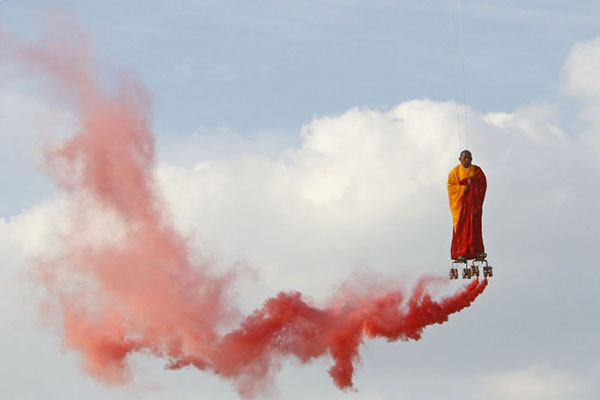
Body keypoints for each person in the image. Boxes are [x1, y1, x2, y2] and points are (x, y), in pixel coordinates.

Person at [447, 150, 487, 260]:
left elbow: (483, 183)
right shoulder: (454, 172)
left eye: (469, 158)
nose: (467, 160)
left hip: (474, 206)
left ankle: (477, 251)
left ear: (472, 159)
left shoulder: (477, 171)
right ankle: (460, 252)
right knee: (461, 229)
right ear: (459, 159)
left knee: (475, 228)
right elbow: (451, 187)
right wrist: (462, 188)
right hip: (462, 207)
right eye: (464, 158)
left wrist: (473, 182)